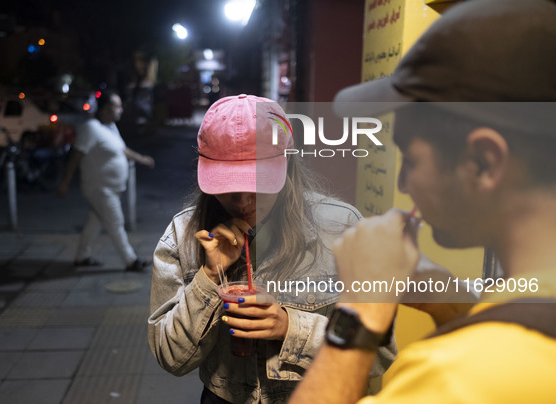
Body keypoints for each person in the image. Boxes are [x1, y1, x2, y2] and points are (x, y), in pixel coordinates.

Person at [290, 0, 556, 403]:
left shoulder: (457, 376)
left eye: (411, 160)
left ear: (484, 162)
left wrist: (359, 312)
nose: (403, 183)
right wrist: (449, 300)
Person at [148, 94, 397, 403]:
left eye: (258, 185)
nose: (243, 202)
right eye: (228, 188)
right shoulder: (183, 235)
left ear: (288, 164)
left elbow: (380, 353)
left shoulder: (342, 227)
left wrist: (290, 328)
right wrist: (209, 276)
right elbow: (170, 356)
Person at [57, 90, 155, 272]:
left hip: (110, 188)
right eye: (116, 106)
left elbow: (122, 150)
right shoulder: (91, 128)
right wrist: (66, 181)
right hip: (99, 189)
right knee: (115, 221)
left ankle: (81, 256)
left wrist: (142, 158)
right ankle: (131, 260)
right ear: (104, 109)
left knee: (94, 222)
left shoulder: (110, 128)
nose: (120, 110)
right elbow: (76, 155)